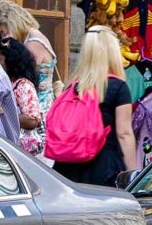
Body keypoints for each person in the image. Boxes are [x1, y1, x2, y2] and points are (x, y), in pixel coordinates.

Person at [52, 26, 136, 187]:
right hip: (105, 168)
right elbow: (124, 134)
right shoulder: (118, 87)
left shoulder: (72, 87)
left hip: (67, 168)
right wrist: (132, 173)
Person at [0, 0, 58, 129]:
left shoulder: (32, 43)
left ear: (11, 23)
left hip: (38, 109)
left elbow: (27, 75)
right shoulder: (31, 36)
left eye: (2, 32)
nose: (3, 37)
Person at [0, 35, 45, 156]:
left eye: (0, 60)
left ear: (11, 60)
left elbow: (33, 120)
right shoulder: (8, 82)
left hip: (21, 151)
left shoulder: (23, 85)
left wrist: (2, 114)